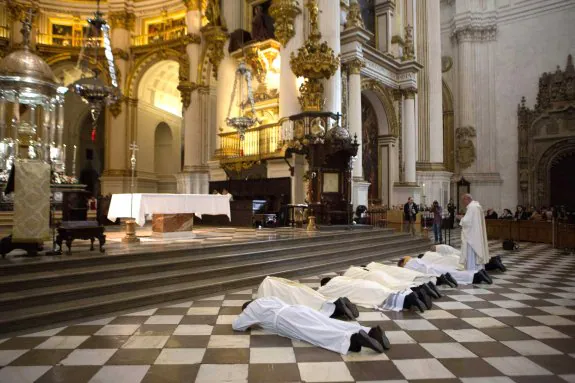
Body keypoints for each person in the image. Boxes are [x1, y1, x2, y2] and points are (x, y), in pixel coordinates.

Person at [232, 297, 389, 354]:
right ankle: (370, 331)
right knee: (328, 323)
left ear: (247, 307)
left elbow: (237, 326)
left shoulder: (251, 309)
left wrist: (248, 318)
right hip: (297, 309)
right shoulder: (266, 299)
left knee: (319, 333)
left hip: (286, 320)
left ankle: (354, 340)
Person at [256, 276, 359, 320]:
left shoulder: (263, 293)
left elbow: (266, 308)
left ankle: (337, 307)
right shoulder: (269, 280)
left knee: (313, 308)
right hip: (296, 287)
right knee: (315, 298)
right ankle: (337, 301)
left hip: (292, 294)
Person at [341, 266, 438, 309]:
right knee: (397, 284)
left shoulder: (347, 276)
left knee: (390, 289)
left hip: (371, 278)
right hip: (377, 274)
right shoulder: (355, 269)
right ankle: (419, 290)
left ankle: (411, 297)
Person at [318, 275, 427, 313]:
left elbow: (320, 292)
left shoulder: (328, 287)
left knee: (381, 298)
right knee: (385, 291)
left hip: (362, 291)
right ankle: (411, 295)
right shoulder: (340, 278)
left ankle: (408, 301)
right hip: (365, 284)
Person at [398, 253, 492, 285]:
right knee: (454, 272)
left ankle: (477, 276)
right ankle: (477, 272)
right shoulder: (414, 259)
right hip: (435, 267)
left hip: (433, 271)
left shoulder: (408, 266)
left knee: (456, 275)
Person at [458, 194, 491, 274]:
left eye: (463, 201)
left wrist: (461, 218)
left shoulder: (472, 207)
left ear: (467, 199)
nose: (463, 203)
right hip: (476, 234)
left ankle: (472, 270)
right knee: (476, 252)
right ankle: (479, 269)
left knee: (471, 252)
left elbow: (467, 222)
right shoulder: (477, 206)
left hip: (472, 236)